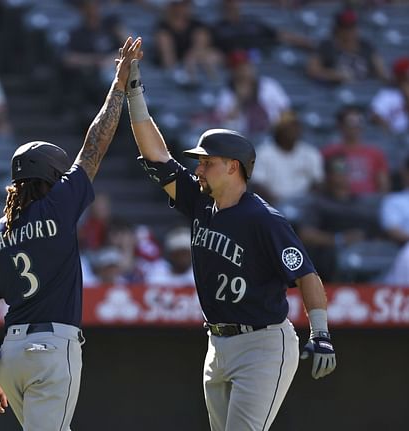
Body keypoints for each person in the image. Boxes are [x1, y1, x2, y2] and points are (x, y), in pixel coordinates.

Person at [125, 54, 336, 431]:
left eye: (207, 162)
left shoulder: (263, 219)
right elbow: (156, 157)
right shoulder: (200, 200)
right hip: (217, 344)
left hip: (262, 345)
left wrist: (320, 333)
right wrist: (134, 93)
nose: (198, 168)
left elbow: (306, 274)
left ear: (233, 167)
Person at [0, 37, 142, 429]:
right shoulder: (59, 204)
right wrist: (118, 86)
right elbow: (95, 144)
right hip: (51, 347)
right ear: (52, 176)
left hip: (10, 356)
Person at [297, 156, 382, 282]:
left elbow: (376, 233)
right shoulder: (318, 203)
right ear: (327, 176)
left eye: (345, 171)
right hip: (330, 258)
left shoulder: (361, 204)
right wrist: (339, 239)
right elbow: (306, 234)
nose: (342, 176)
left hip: (362, 253)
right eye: (337, 171)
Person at [250, 110, 324, 205]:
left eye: (295, 126)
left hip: (305, 206)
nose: (292, 131)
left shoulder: (310, 153)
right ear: (278, 130)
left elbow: (318, 182)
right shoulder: (263, 153)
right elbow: (257, 184)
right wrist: (277, 202)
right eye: (287, 127)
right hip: (272, 205)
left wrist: (306, 200)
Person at [214, 50, 290, 136]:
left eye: (247, 66)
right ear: (234, 71)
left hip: (272, 135)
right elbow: (225, 122)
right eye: (241, 67)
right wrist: (239, 99)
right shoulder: (227, 93)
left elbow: (286, 110)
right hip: (242, 138)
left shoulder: (268, 85)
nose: (245, 71)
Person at [321, 105, 390, 196]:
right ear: (340, 125)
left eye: (359, 122)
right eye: (351, 122)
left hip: (369, 202)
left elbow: (383, 184)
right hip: (341, 202)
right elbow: (327, 182)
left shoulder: (375, 153)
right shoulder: (331, 152)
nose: (355, 127)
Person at [306, 9, 388, 84]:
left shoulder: (366, 46)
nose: (349, 31)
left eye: (352, 27)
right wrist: (335, 75)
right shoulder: (326, 46)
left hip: (363, 90)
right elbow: (312, 71)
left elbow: (381, 72)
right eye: (345, 27)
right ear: (337, 29)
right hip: (335, 90)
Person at [212, 0, 314, 57]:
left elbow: (278, 34)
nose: (232, 11)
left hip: (261, 55)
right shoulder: (218, 28)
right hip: (234, 60)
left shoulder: (252, 22)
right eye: (228, 8)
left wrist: (303, 42)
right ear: (223, 10)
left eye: (234, 8)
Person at [153, 0, 223, 83]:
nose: (183, 8)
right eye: (180, 5)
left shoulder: (197, 25)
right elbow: (164, 49)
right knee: (163, 38)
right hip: (173, 60)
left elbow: (203, 44)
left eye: (186, 5)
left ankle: (214, 83)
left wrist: (191, 57)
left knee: (210, 55)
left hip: (193, 59)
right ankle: (173, 73)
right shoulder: (163, 27)